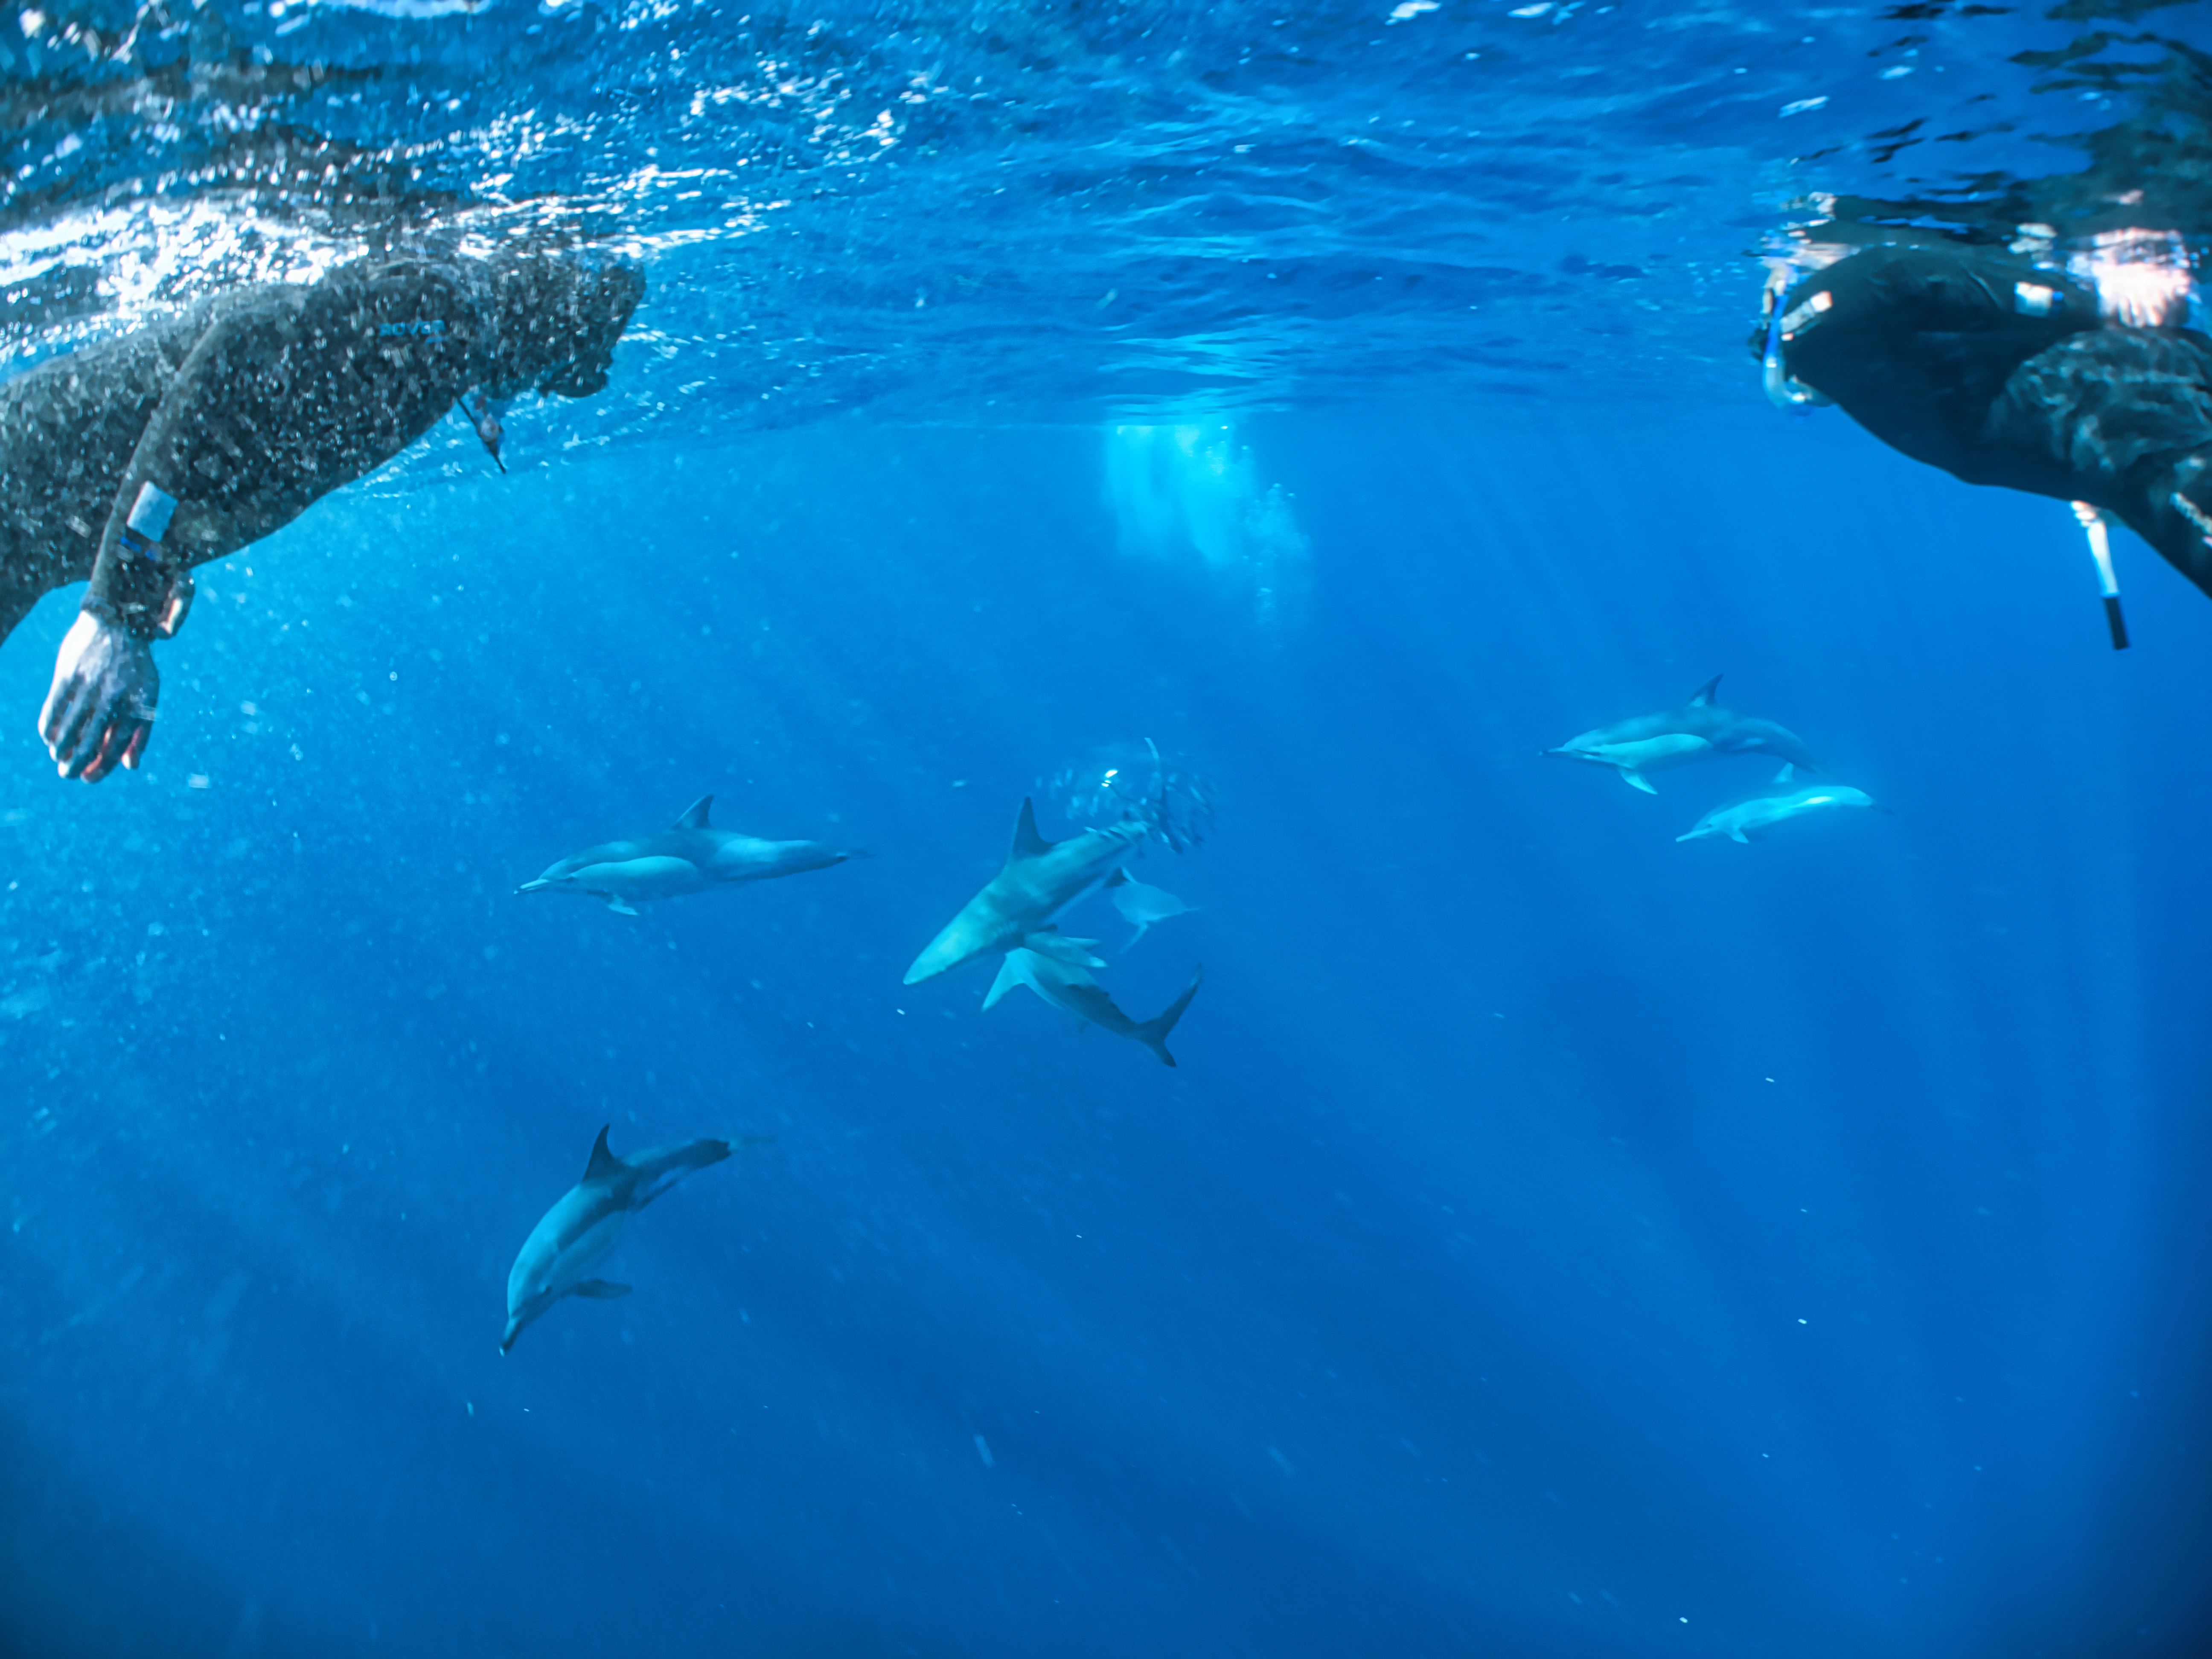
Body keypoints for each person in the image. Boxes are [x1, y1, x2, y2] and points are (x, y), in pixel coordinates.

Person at [0, 248, 644, 781]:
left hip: (25, 538)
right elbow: (235, 346)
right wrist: (118, 608)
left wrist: (162, 557)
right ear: (559, 318)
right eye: (594, 353)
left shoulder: (449, 346)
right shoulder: (450, 316)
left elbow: (251, 432)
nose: (593, 380)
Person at [1755, 242, 2212, 601]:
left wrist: (2094, 300)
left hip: (2124, 422)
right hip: (2131, 417)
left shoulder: (1811, 325)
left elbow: (1887, 275)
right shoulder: (1877, 350)